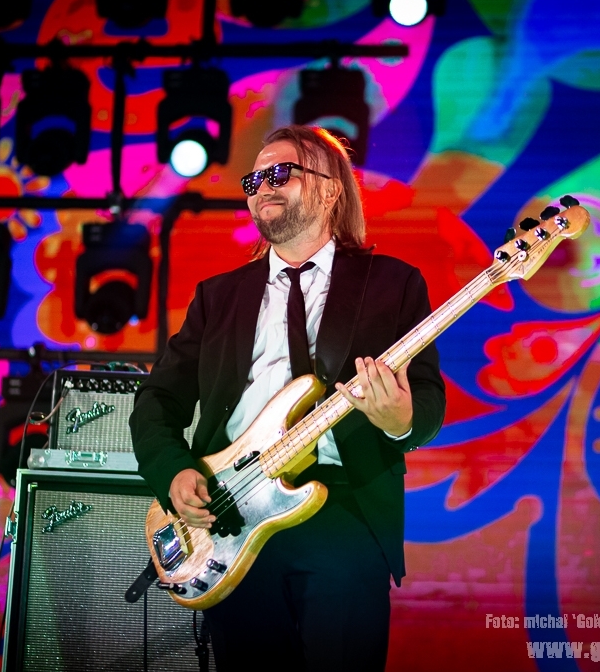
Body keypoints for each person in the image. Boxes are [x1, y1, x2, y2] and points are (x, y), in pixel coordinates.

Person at [130, 125, 446, 671]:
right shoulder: (218, 296)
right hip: (230, 514)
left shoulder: (392, 284)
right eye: (253, 180)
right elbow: (157, 400)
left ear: (330, 188)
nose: (263, 188)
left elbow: (427, 399)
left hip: (344, 511)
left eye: (280, 173)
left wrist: (399, 420)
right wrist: (174, 472)